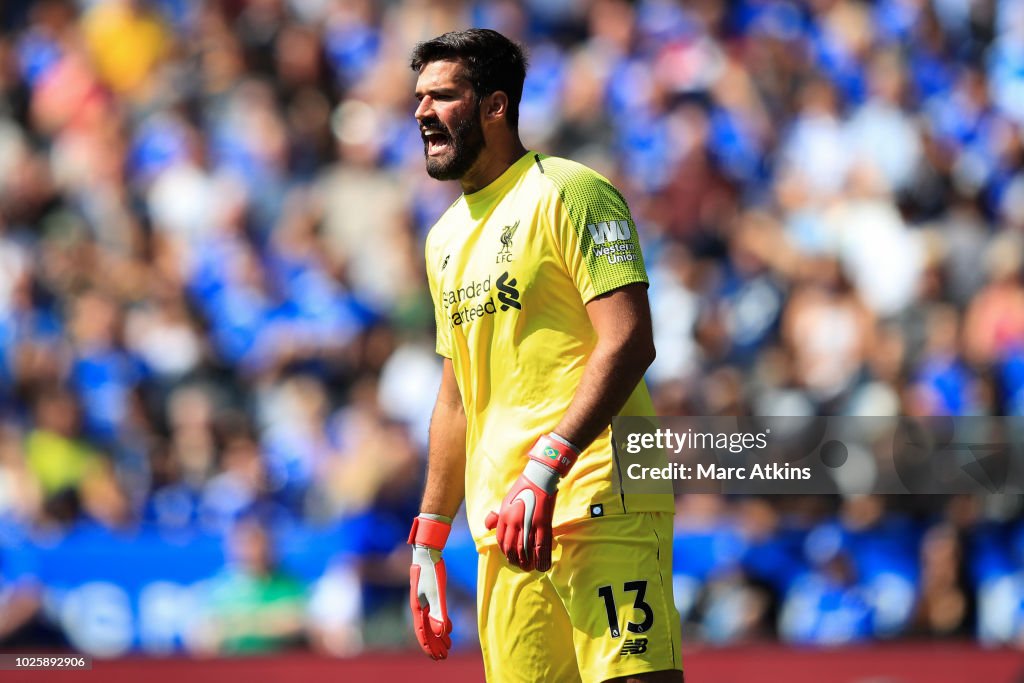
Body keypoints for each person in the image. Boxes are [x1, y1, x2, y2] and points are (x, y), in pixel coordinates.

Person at [406, 29, 682, 683]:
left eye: (442, 96)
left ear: (495, 106)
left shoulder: (572, 191)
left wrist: (549, 461)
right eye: (419, 97)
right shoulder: (443, 238)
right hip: (505, 523)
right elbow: (456, 396)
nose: (421, 113)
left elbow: (630, 338)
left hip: (600, 491)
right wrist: (428, 536)